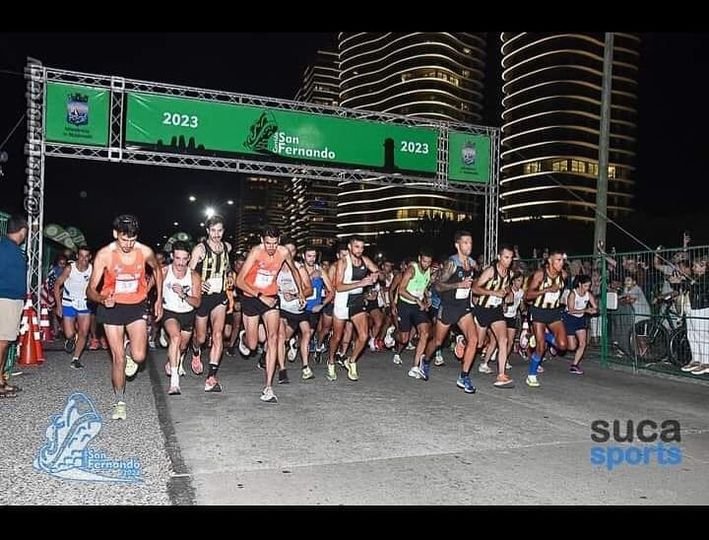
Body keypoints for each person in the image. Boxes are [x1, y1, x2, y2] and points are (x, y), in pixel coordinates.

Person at [87, 215, 163, 420]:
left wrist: (158, 299)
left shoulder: (144, 251)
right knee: (118, 358)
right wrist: (102, 299)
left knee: (138, 356)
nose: (128, 244)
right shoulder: (105, 254)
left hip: (136, 305)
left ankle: (131, 348)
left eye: (132, 239)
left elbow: (157, 269)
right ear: (115, 234)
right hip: (112, 308)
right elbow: (90, 290)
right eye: (124, 239)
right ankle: (119, 401)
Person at [236, 226, 304, 403]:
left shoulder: (283, 252)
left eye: (274, 243)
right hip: (251, 295)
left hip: (271, 297)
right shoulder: (256, 252)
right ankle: (244, 338)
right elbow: (239, 281)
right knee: (252, 345)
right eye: (268, 243)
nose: (271, 247)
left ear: (279, 241)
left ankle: (268, 387)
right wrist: (260, 296)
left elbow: (295, 271)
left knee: (273, 338)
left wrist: (302, 292)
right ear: (262, 241)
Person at [189, 215, 231, 392]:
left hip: (219, 296)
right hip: (203, 298)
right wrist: (200, 283)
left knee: (218, 334)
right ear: (207, 231)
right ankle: (196, 351)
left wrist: (229, 277)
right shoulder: (200, 249)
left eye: (219, 230)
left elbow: (227, 268)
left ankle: (211, 376)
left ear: (223, 231)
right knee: (201, 338)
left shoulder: (227, 247)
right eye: (213, 230)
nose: (216, 234)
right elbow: (188, 272)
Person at [524, 249, 569, 387]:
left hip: (554, 312)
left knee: (562, 345)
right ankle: (531, 375)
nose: (561, 263)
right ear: (550, 261)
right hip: (539, 311)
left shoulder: (564, 275)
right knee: (540, 347)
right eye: (558, 260)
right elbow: (527, 295)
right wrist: (547, 290)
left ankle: (542, 336)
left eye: (562, 260)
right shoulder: (540, 275)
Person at [161, 241, 201, 395]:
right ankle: (174, 383)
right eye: (178, 258)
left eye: (184, 259)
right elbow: (148, 287)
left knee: (182, 347)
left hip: (187, 314)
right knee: (175, 338)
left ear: (189, 258)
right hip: (169, 312)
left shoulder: (194, 276)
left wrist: (183, 294)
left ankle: (172, 361)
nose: (181, 263)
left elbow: (197, 302)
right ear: (172, 256)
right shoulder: (164, 271)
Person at [0, 215, 29, 398]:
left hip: (11, 300)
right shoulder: (5, 249)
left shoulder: (11, 248)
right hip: (5, 300)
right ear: (23, 231)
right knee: (1, 342)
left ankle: (1, 380)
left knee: (4, 342)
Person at [53, 245, 93, 369]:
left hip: (84, 303)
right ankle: (70, 339)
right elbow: (57, 285)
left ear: (90, 257)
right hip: (69, 302)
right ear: (77, 256)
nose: (83, 259)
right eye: (81, 256)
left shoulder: (92, 269)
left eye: (86, 256)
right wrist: (59, 306)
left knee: (84, 332)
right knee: (69, 333)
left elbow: (94, 286)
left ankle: (75, 359)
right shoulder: (70, 269)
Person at [562, 274, 597, 374]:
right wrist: (586, 310)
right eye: (586, 286)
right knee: (572, 346)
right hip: (569, 318)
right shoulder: (573, 294)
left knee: (582, 343)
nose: (587, 288)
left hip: (580, 319)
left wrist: (594, 310)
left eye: (589, 286)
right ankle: (555, 343)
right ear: (580, 284)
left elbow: (595, 306)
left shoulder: (588, 294)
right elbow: (571, 310)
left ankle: (574, 365)